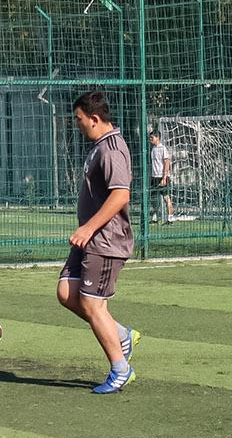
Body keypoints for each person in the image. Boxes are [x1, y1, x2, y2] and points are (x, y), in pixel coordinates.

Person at [57, 92, 139, 394]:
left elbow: (121, 195)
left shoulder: (113, 149)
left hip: (106, 240)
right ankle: (121, 335)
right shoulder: (98, 146)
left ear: (94, 118)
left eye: (79, 119)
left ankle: (121, 370)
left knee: (92, 304)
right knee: (67, 293)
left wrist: (89, 228)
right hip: (90, 237)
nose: (77, 125)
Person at [149, 131, 174, 224]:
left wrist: (164, 177)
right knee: (153, 197)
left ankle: (170, 218)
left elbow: (167, 163)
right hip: (154, 176)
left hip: (162, 176)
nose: (150, 139)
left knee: (166, 197)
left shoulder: (163, 148)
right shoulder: (153, 149)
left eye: (152, 138)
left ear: (157, 137)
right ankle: (155, 217)